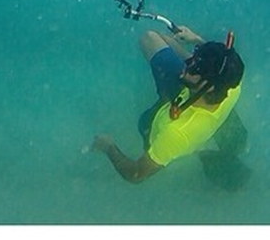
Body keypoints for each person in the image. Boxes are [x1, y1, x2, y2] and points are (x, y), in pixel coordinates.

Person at [92, 24, 245, 184]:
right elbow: (224, 62)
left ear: (209, 86)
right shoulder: (232, 86)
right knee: (152, 38)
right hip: (190, 98)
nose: (187, 66)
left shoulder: (176, 134)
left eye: (194, 68)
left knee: (145, 121)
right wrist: (196, 39)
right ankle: (215, 145)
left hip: (161, 119)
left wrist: (108, 146)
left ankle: (204, 148)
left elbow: (135, 174)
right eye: (194, 59)